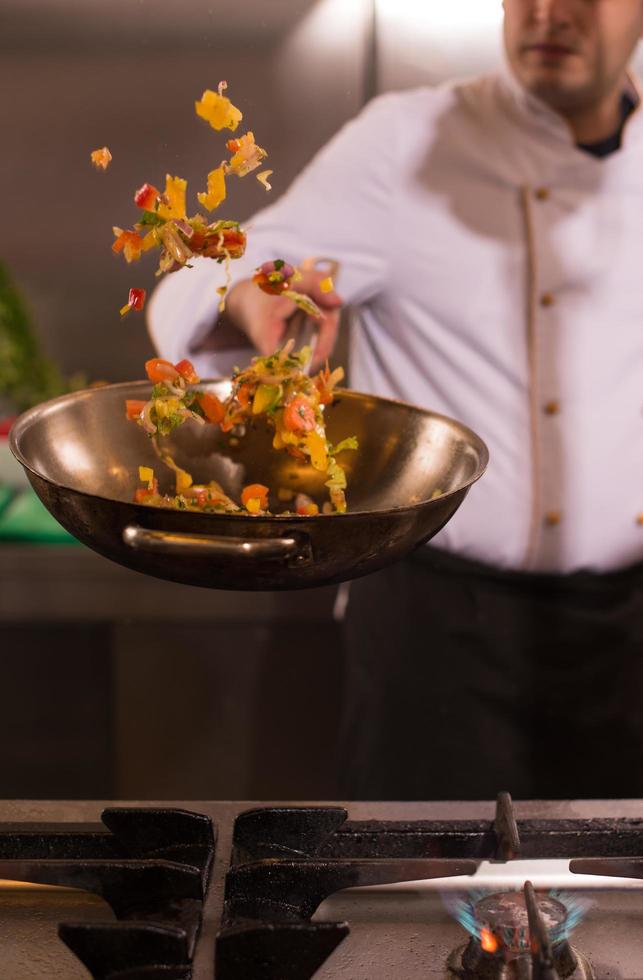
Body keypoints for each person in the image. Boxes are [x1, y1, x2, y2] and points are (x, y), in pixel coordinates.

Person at [148, 0, 643, 800]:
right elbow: (215, 270)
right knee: (411, 908)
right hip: (437, 628)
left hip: (627, 636)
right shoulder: (406, 139)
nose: (551, 12)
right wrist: (255, 297)